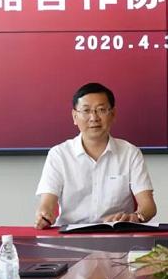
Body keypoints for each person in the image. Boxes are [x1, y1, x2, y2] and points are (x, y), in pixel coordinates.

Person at [34, 82, 157, 228]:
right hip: (70, 236)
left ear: (113, 114)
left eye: (101, 110)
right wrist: (45, 215)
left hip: (117, 234)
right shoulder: (59, 155)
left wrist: (136, 217)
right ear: (75, 116)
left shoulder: (130, 153)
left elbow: (148, 206)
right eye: (86, 110)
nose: (94, 118)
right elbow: (47, 203)